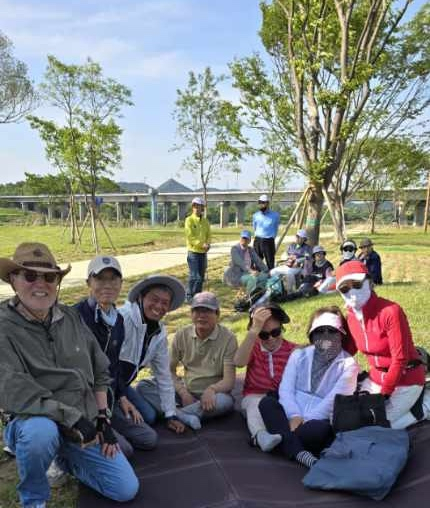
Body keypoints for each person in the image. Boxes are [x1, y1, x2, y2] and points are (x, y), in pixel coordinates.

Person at [0, 243, 138, 508]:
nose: (40, 283)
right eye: (30, 275)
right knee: (41, 434)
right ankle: (34, 500)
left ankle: (64, 460)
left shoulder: (71, 317)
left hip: (83, 419)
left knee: (126, 489)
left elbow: (100, 370)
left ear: (57, 282)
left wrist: (102, 419)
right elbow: (16, 392)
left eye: (49, 276)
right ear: (13, 280)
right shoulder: (3, 326)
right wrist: (72, 418)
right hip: (37, 418)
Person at [75, 255, 157, 456]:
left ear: (121, 284)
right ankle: (65, 454)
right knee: (126, 451)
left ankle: (110, 425)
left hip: (109, 397)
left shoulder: (118, 320)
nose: (107, 285)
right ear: (88, 283)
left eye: (113, 279)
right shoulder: (74, 317)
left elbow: (114, 365)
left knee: (149, 438)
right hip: (83, 402)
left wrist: (121, 396)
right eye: (100, 279)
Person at [259, 306, 359, 468]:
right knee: (266, 403)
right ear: (312, 335)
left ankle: (281, 440)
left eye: (332, 331)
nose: (326, 337)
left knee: (317, 430)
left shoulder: (349, 365)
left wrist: (303, 421)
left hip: (315, 421)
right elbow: (286, 389)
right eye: (320, 331)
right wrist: (294, 415)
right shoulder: (299, 355)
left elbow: (332, 403)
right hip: (290, 416)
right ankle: (300, 454)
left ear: (341, 335)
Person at [336, 260, 425, 429]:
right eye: (345, 288)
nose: (352, 291)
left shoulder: (390, 311)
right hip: (375, 378)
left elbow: (400, 359)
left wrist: (384, 395)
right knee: (355, 421)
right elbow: (350, 350)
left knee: (380, 426)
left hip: (406, 379)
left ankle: (423, 408)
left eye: (356, 284)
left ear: (369, 282)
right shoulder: (352, 317)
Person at [119, 274, 200, 431]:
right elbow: (104, 367)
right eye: (154, 299)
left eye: (164, 303)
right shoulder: (123, 319)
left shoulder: (159, 332)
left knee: (149, 416)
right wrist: (120, 396)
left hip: (123, 385)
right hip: (105, 386)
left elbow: (164, 375)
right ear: (141, 297)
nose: (158, 306)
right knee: (146, 436)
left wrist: (170, 415)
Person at [170, 292, 238, 428]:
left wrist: (211, 390)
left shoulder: (229, 338)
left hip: (215, 395)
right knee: (146, 386)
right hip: (186, 391)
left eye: (207, 311)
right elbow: (168, 370)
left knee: (225, 402)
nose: (201, 315)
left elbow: (229, 381)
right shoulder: (181, 335)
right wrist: (183, 393)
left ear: (217, 314)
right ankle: (185, 415)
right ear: (191, 314)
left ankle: (174, 415)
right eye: (197, 310)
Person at [234, 303, 296, 452]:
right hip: (255, 396)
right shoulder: (254, 347)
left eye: (275, 332)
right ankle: (260, 436)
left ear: (282, 328)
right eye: (263, 334)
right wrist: (254, 330)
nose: (270, 338)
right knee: (255, 405)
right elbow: (239, 362)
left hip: (281, 399)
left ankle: (289, 435)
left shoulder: (291, 349)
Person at [223, 230, 269, 294]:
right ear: (240, 238)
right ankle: (249, 298)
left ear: (249, 240)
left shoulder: (250, 249)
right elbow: (241, 263)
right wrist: (251, 271)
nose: (244, 240)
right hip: (237, 275)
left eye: (246, 238)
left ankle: (259, 294)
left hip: (247, 273)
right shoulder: (234, 249)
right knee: (253, 278)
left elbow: (258, 261)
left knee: (264, 276)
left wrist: (267, 270)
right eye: (243, 238)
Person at [184, 197, 211, 302]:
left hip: (203, 253)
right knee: (195, 276)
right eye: (194, 205)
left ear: (202, 208)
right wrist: (201, 245)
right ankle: (189, 296)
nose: (195, 208)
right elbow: (190, 237)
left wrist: (208, 244)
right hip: (193, 252)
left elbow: (209, 235)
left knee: (201, 277)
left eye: (198, 206)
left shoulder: (205, 221)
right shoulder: (189, 220)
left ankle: (198, 297)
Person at [270, 229, 312, 293]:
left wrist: (297, 260)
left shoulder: (306, 248)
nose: (298, 239)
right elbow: (284, 255)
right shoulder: (292, 245)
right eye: (297, 237)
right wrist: (288, 256)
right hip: (287, 265)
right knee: (273, 271)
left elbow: (307, 257)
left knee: (289, 273)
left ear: (304, 239)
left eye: (301, 238)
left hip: (298, 267)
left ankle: (290, 292)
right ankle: (278, 290)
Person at [252, 194, 280, 270]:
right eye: (260, 203)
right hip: (258, 240)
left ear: (268, 203)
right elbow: (254, 228)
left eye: (263, 202)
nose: (261, 204)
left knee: (270, 262)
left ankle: (271, 279)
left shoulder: (275, 215)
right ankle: (258, 278)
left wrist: (272, 237)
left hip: (269, 241)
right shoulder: (255, 215)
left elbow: (276, 227)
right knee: (257, 261)